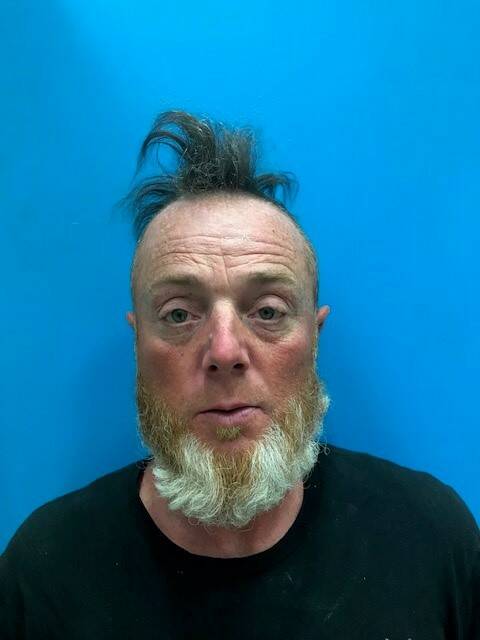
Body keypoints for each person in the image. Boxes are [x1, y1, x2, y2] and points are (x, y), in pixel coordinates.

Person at [1, 110, 478, 639]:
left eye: (268, 311)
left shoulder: (431, 538)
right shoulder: (43, 573)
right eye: (179, 315)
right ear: (137, 344)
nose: (225, 351)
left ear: (315, 337)